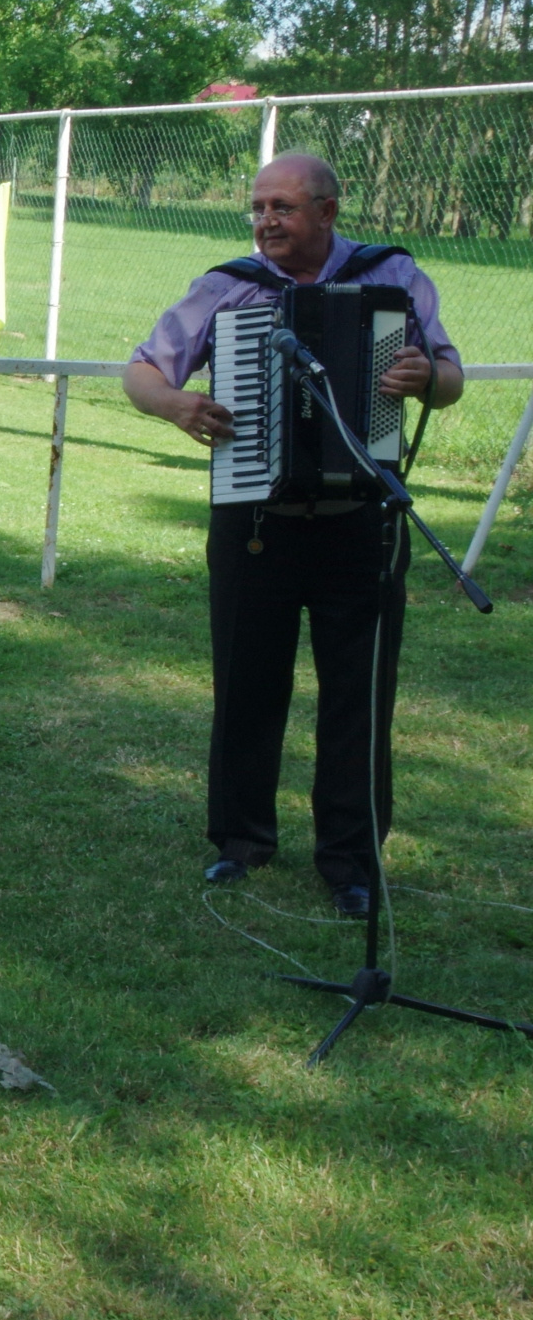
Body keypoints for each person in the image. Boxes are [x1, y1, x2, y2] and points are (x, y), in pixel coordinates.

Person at [122, 152, 463, 918]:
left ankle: (350, 860)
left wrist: (425, 379)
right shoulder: (230, 286)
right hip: (255, 523)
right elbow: (142, 370)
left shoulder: (393, 277)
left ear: (327, 212)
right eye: (258, 207)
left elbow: (450, 376)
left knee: (358, 698)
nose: (265, 222)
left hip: (362, 523)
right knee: (246, 684)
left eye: (282, 207)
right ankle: (240, 840)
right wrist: (177, 406)